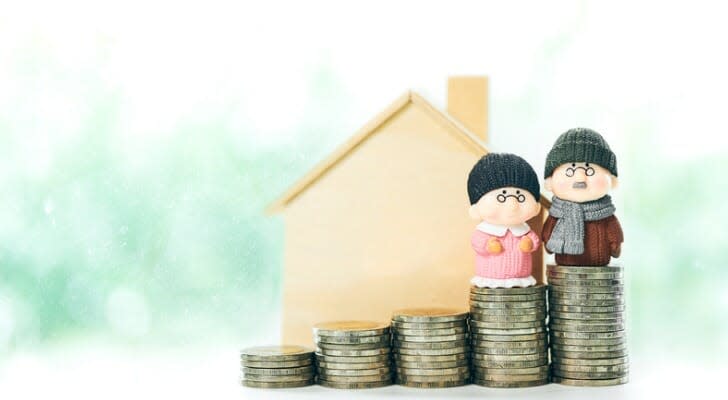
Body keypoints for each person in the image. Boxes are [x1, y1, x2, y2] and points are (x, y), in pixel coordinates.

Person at [542, 128, 624, 266]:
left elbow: (613, 230)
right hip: (565, 272)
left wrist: (615, 244)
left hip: (598, 269)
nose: (580, 177)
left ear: (611, 180)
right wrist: (548, 241)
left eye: (589, 170)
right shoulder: (557, 213)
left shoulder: (605, 214)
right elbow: (548, 233)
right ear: (550, 181)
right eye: (570, 170)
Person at [467, 153, 542, 288]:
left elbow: (534, 240)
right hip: (490, 277)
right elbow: (477, 242)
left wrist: (530, 243)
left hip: (522, 278)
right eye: (502, 197)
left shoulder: (524, 231)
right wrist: (488, 245)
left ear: (536, 207)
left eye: (520, 197)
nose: (512, 205)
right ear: (476, 208)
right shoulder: (485, 231)